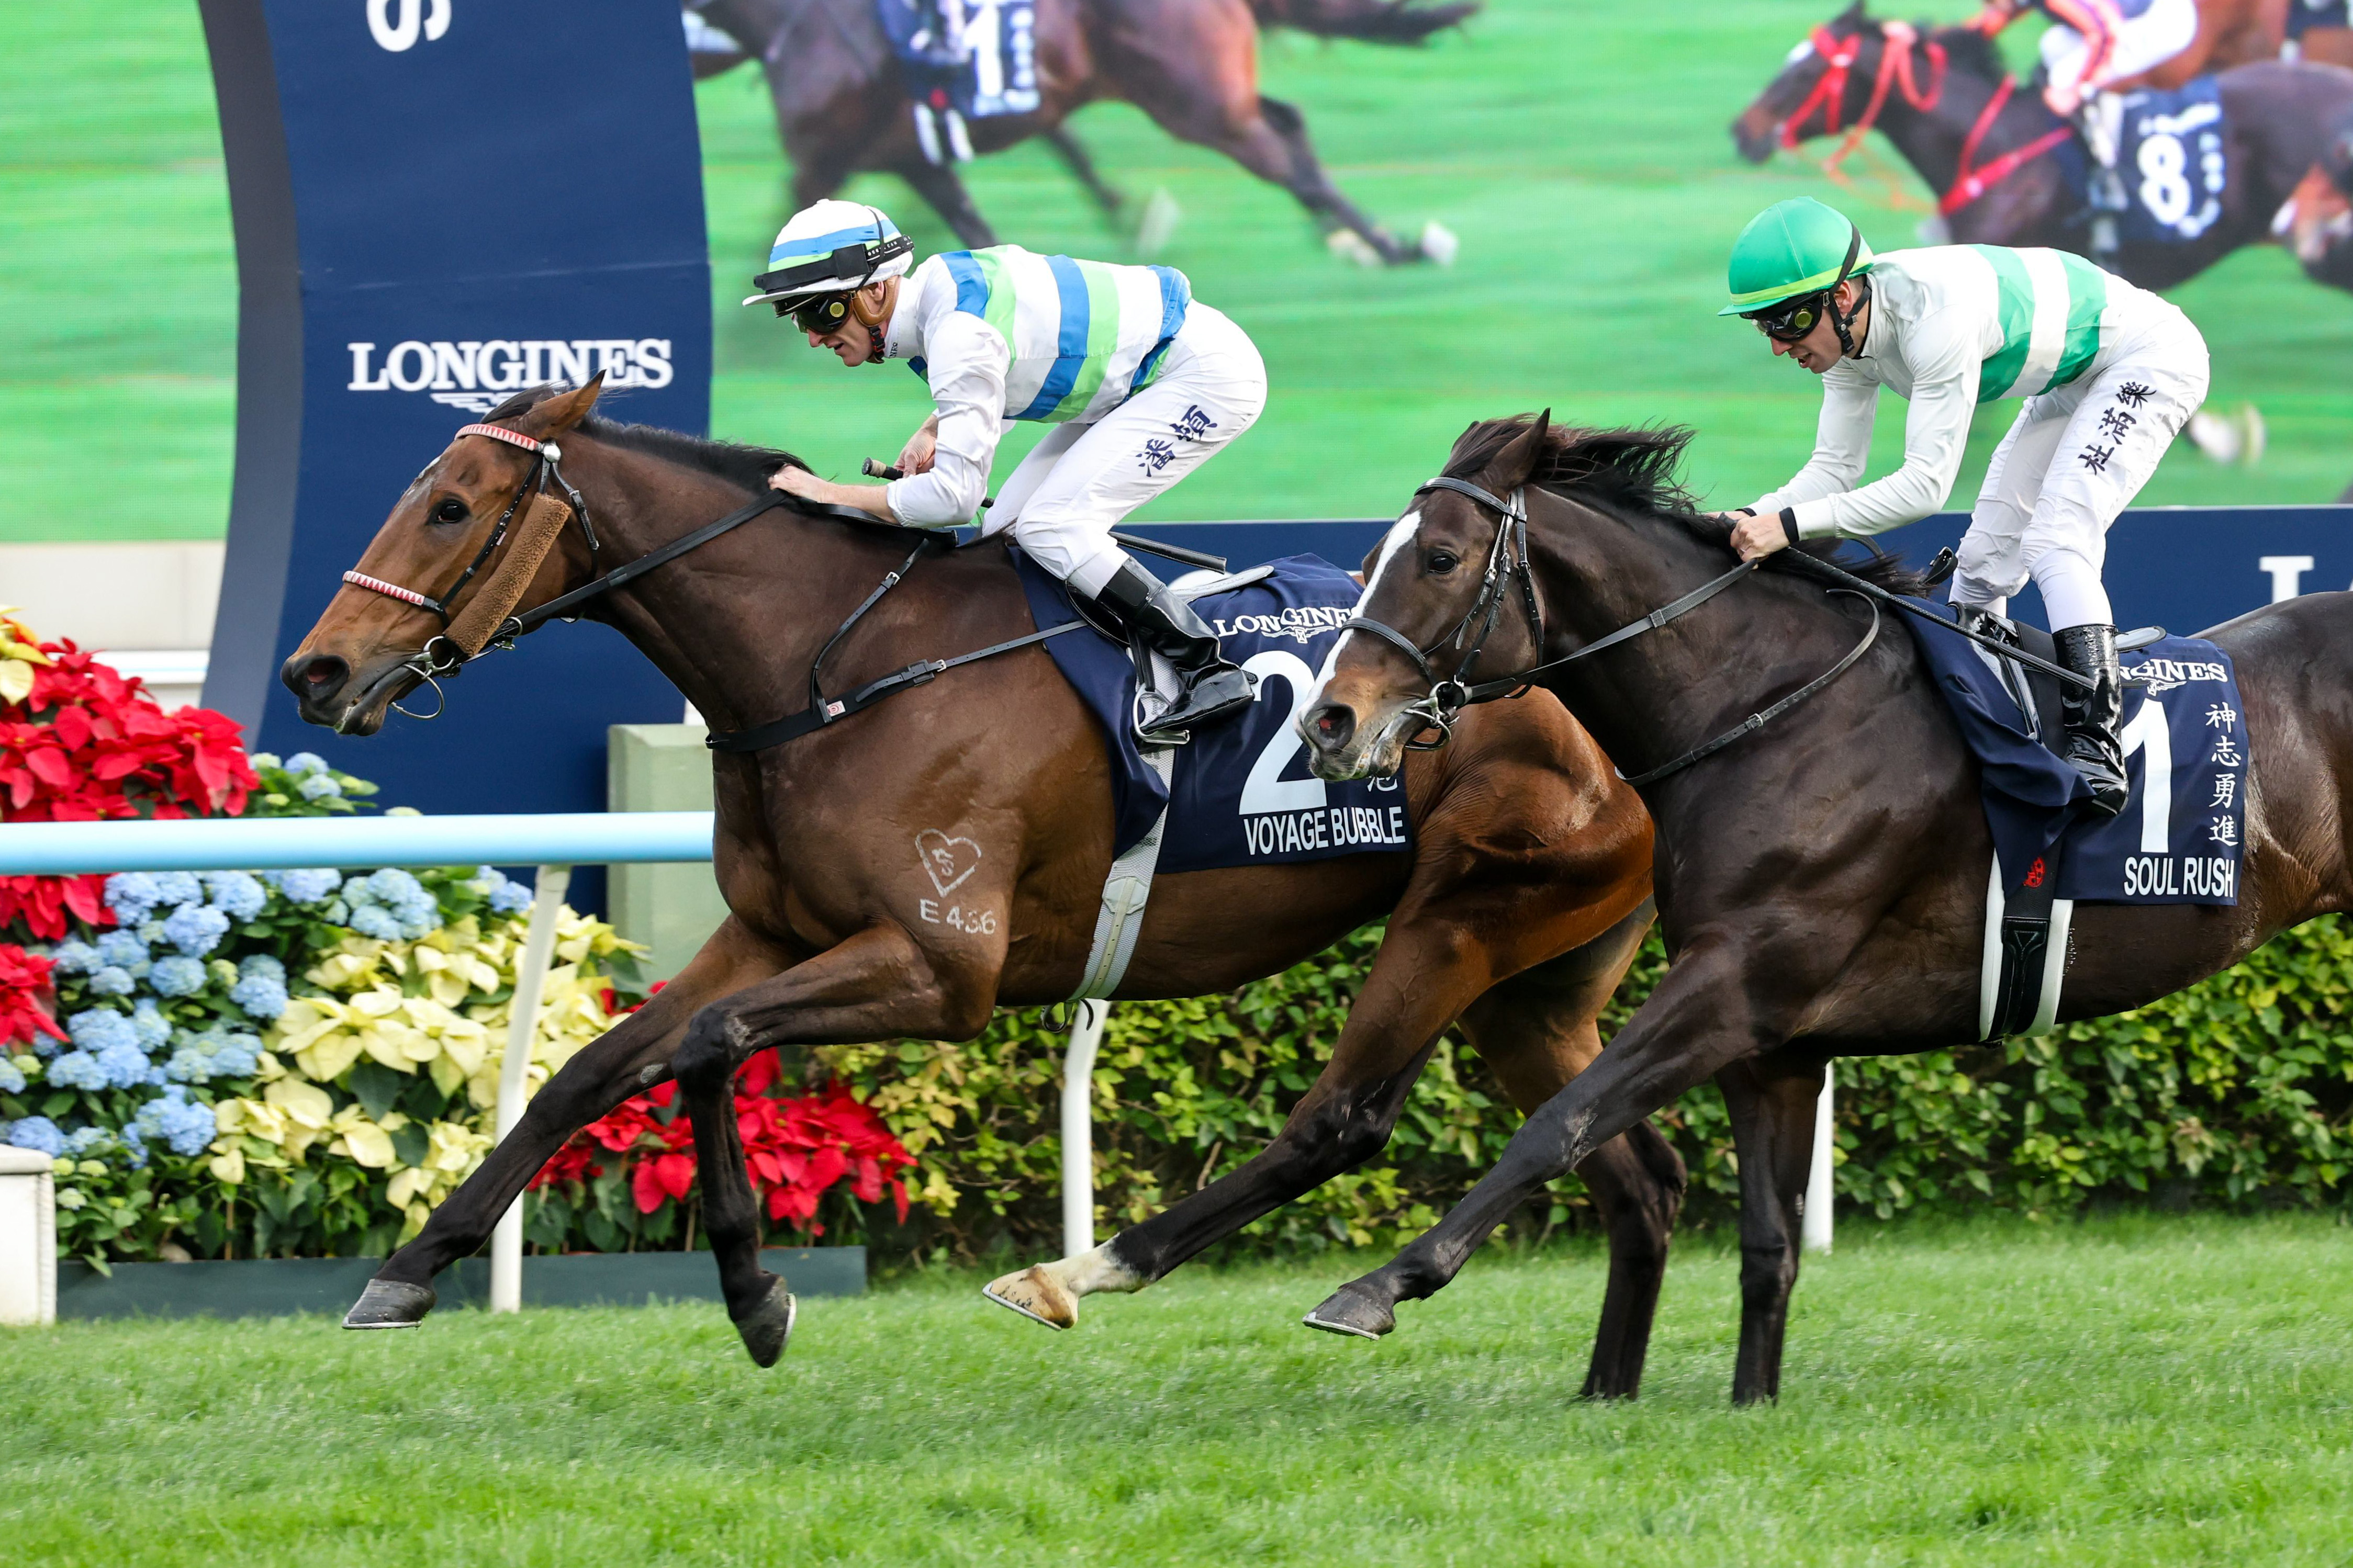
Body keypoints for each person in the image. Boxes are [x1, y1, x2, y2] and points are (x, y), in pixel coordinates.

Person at [1717, 197, 2210, 818]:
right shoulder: (1845, 338)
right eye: (1762, 326)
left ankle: (2096, 748)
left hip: (2148, 360)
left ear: (1841, 297)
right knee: (1981, 563)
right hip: (2072, 379)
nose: (1777, 347)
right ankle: (1988, 727)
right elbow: (1833, 470)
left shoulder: (1933, 321)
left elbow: (1924, 488)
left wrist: (1784, 528)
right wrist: (1742, 516)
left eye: (1784, 322)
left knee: (2056, 541)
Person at [745, 200, 1264, 743]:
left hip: (1201, 376)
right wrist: (934, 429)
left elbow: (954, 500)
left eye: (818, 313)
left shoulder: (957, 332)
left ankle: (1208, 669)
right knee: (1006, 538)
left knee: (1053, 526)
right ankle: (1092, 684)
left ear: (876, 291)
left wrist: (828, 493)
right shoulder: (942, 293)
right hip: (1137, 379)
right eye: (797, 317)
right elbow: (1012, 364)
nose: (810, 337)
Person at [1968, 0, 2200, 118]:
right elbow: (2005, 12)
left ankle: (2112, 158)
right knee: (2053, 43)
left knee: (2063, 79)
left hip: (2160, 24)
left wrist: (2075, 89)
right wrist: (1964, 36)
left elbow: (2105, 31)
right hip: (2120, 22)